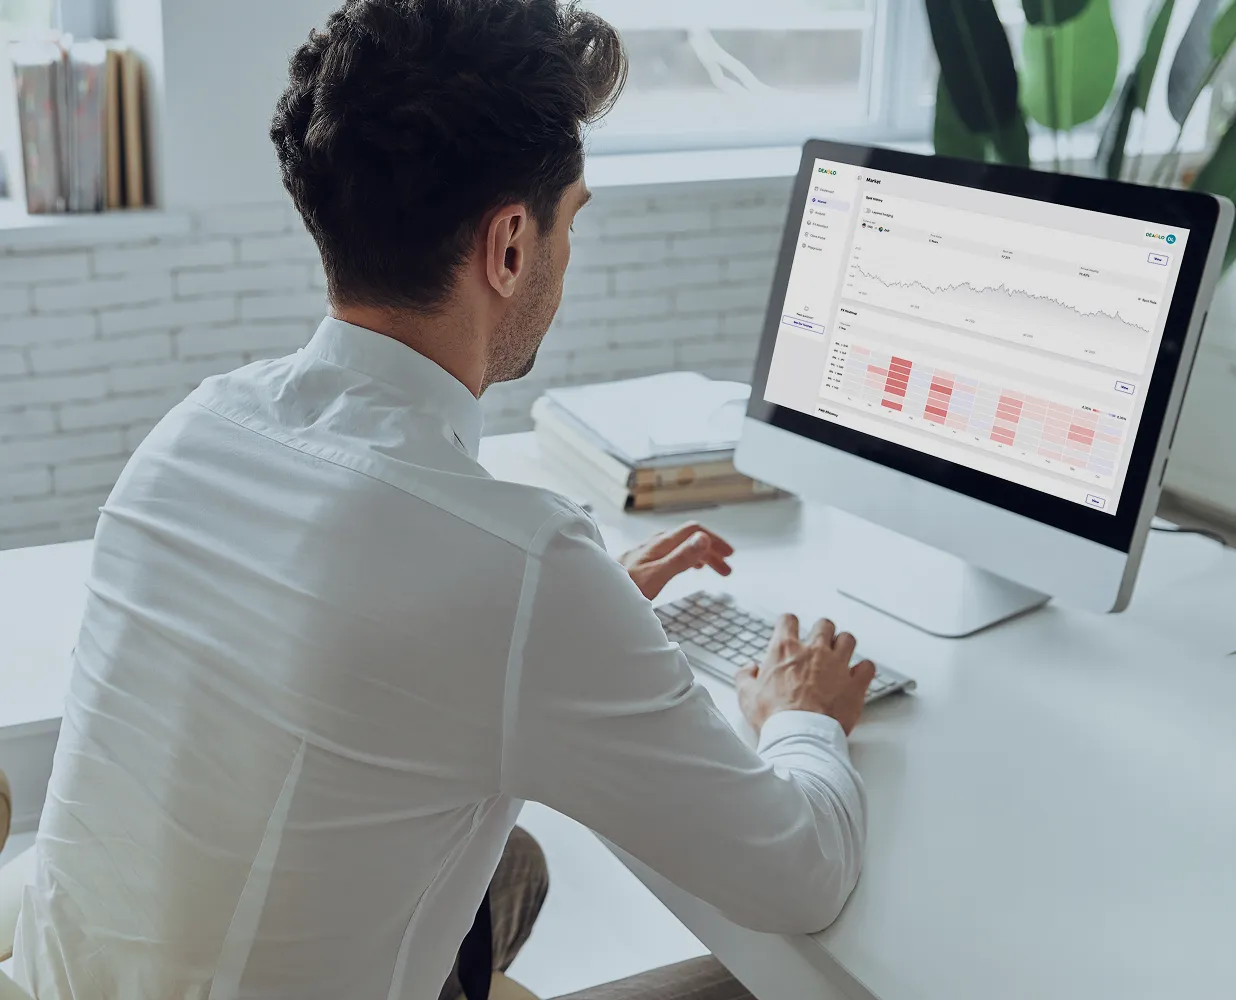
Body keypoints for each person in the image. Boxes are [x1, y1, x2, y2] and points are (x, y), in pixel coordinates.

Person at [12, 1, 877, 998]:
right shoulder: (517, 570)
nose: (567, 254)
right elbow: (802, 873)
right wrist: (800, 716)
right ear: (509, 245)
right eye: (570, 221)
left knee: (511, 871)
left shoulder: (192, 431)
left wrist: (582, 624)